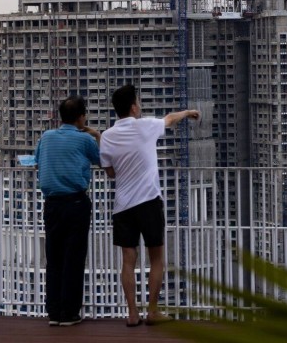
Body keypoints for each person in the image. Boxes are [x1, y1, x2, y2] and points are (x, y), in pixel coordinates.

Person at [100, 83, 199, 327]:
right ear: (133, 107)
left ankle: (132, 313)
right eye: (138, 102)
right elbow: (169, 119)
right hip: (149, 202)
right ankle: (152, 311)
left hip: (123, 205)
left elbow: (110, 172)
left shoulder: (107, 136)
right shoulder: (145, 127)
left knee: (127, 260)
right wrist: (187, 113)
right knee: (156, 258)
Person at [33, 96, 101, 327]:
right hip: (75, 203)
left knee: (54, 259)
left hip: (51, 204)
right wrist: (98, 135)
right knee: (74, 258)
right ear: (81, 117)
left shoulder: (46, 137)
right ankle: (69, 312)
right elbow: (103, 160)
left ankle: (53, 312)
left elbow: (36, 162)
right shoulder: (85, 140)